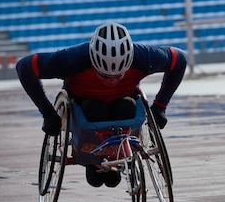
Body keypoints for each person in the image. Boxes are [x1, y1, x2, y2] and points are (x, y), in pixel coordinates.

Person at [17, 21, 187, 188]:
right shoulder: (71, 59)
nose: (112, 81)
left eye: (119, 75)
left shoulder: (143, 56)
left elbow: (179, 59)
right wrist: (47, 113)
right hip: (85, 107)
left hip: (123, 103)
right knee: (94, 109)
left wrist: (160, 106)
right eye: (104, 75)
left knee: (127, 107)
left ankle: (117, 156)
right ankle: (93, 162)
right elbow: (24, 67)